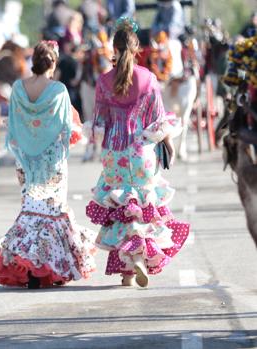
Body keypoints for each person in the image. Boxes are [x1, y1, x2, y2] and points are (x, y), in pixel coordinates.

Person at [85, 18, 190, 288]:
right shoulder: (148, 78)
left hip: (114, 156)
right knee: (141, 210)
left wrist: (98, 144)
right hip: (142, 153)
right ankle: (139, 259)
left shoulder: (104, 81)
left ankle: (128, 272)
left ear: (115, 49)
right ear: (137, 49)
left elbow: (98, 125)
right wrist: (169, 143)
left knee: (122, 210)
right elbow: (158, 121)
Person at [0, 41, 97, 289]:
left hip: (26, 159)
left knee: (30, 209)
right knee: (53, 210)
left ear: (33, 61)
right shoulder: (58, 90)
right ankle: (49, 268)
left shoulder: (18, 88)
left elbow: (12, 123)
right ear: (53, 63)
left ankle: (31, 266)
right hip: (52, 159)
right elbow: (67, 127)